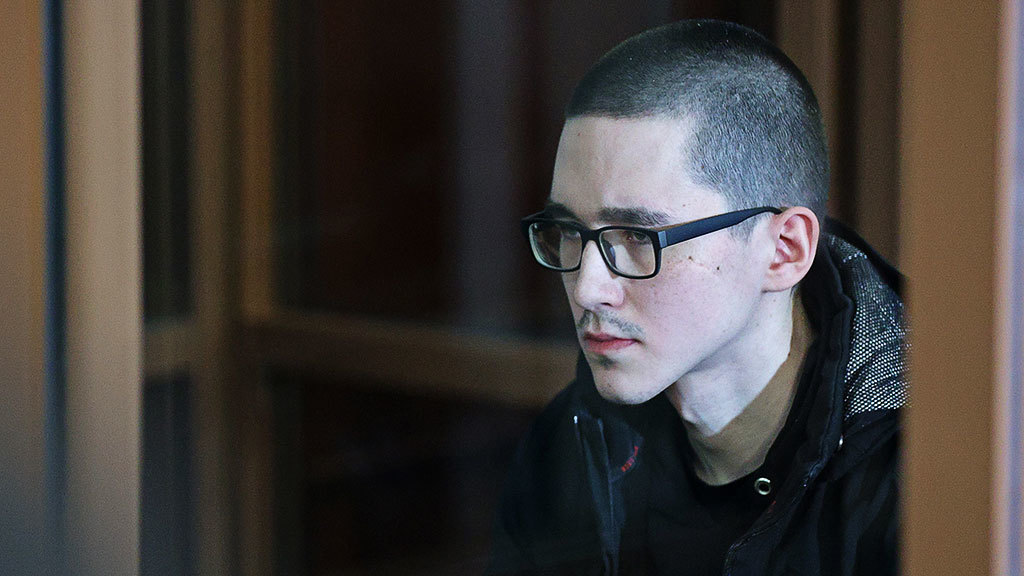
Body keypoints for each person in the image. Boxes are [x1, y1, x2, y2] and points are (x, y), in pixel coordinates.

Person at [486, 19, 906, 576]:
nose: (588, 289)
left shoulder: (924, 476)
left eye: (637, 236)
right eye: (567, 230)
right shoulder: (570, 448)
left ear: (783, 250)